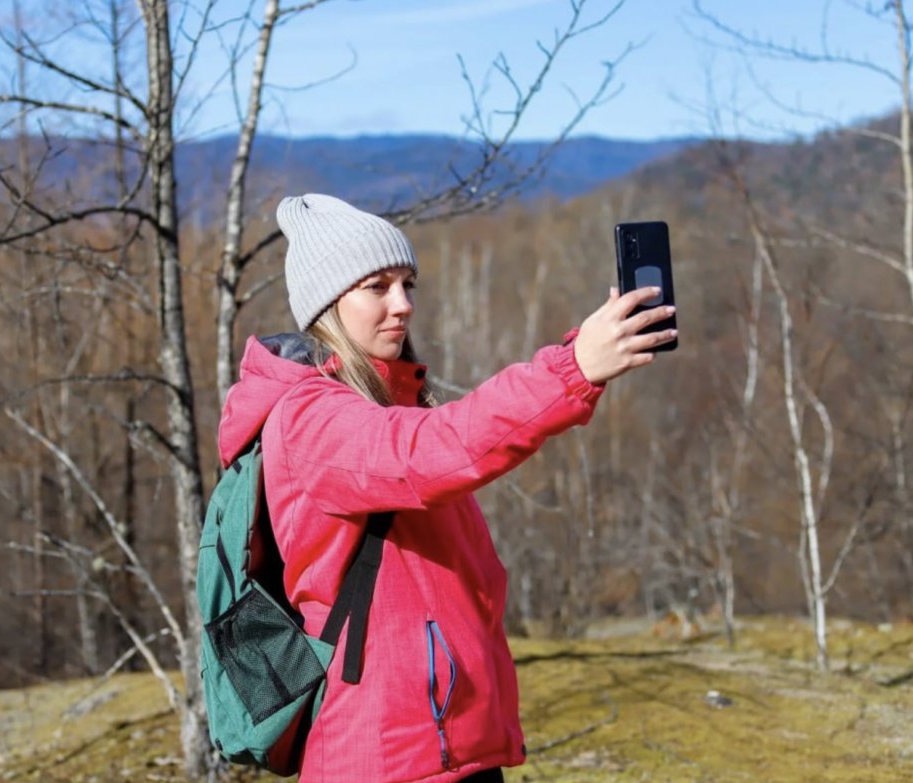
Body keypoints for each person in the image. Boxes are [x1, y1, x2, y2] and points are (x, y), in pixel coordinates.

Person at [218, 194, 676, 782]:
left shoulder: (388, 402)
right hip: (383, 754)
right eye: (377, 287)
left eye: (408, 283)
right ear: (328, 303)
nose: (403, 305)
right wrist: (572, 369)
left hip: (445, 746)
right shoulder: (312, 420)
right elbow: (433, 451)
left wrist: (582, 350)